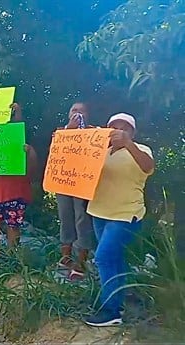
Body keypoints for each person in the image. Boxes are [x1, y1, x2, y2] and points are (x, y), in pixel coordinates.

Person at [84, 113, 154, 327]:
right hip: (99, 212)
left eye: (124, 128)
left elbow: (148, 167)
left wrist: (129, 144)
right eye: (113, 127)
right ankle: (120, 297)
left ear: (132, 132)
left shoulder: (141, 150)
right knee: (115, 259)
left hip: (125, 214)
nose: (118, 131)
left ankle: (111, 310)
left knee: (103, 257)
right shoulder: (100, 153)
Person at [0, 103, 39, 264]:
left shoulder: (24, 146)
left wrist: (29, 153)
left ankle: (11, 257)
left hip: (16, 190)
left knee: (13, 225)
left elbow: (33, 170)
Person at [56, 102, 96, 280]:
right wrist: (68, 130)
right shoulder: (60, 132)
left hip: (83, 184)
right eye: (74, 110)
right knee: (65, 217)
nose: (77, 113)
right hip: (63, 181)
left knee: (82, 220)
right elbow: (54, 152)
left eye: (81, 110)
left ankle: (81, 261)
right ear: (68, 114)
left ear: (88, 114)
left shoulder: (95, 133)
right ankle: (65, 257)